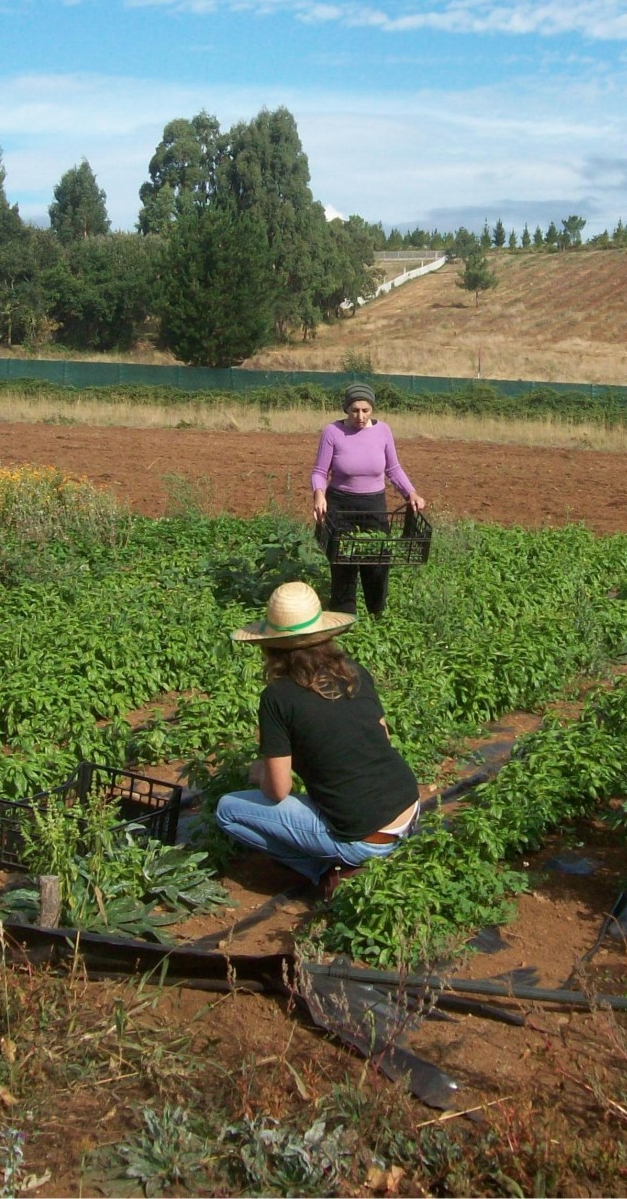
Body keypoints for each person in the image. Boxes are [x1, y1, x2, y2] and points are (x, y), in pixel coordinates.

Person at [215, 581, 421, 891]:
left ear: (270, 646)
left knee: (227, 810)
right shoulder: (353, 671)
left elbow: (279, 790)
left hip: (365, 838)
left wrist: (260, 775)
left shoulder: (277, 697)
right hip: (409, 810)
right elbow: (384, 737)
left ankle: (323, 873)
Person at [311, 381, 426, 620]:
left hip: (374, 506)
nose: (360, 416)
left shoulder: (383, 431)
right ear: (346, 409)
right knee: (343, 563)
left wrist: (411, 493)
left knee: (377, 562)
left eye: (366, 410)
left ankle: (377, 615)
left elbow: (393, 468)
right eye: (355, 410)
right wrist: (319, 494)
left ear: (372, 408)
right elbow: (320, 472)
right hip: (341, 506)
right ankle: (343, 619)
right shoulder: (332, 432)